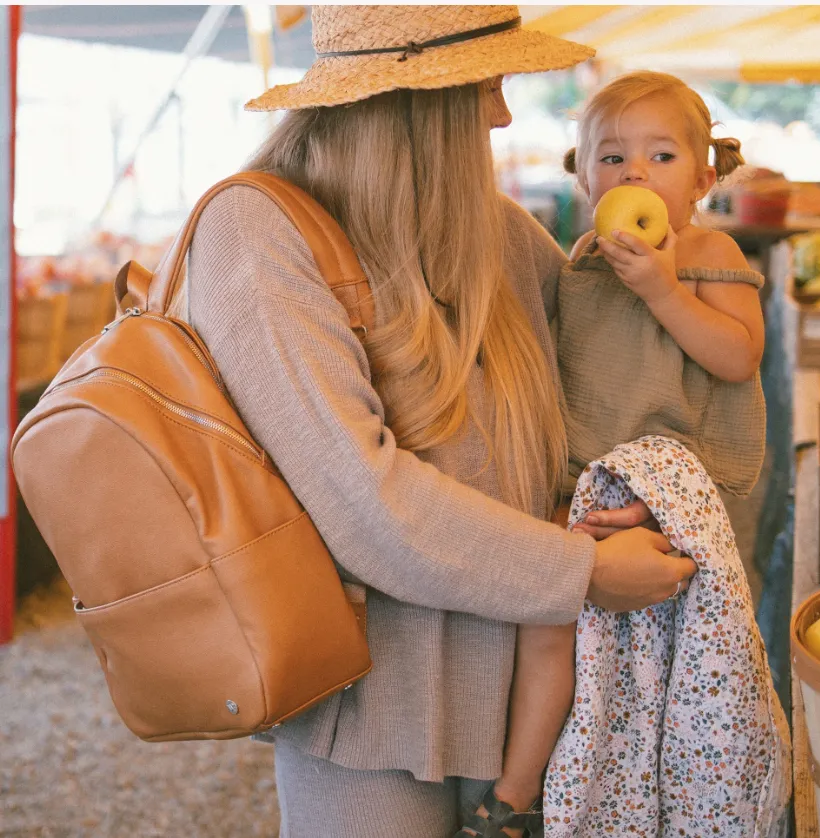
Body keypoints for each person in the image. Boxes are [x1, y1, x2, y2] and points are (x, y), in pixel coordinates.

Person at [181, 9, 698, 838]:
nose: (502, 113)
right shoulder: (257, 234)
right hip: (370, 714)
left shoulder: (493, 230)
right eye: (487, 84)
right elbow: (365, 503)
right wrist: (583, 572)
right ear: (416, 99)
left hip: (531, 695)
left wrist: (636, 492)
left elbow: (608, 380)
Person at [475, 70, 767, 838]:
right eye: (611, 159)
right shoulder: (584, 258)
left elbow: (738, 359)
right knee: (548, 616)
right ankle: (517, 794)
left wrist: (666, 290)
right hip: (589, 484)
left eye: (661, 157)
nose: (634, 173)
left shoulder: (709, 250)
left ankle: (629, 796)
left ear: (704, 177)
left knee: (643, 666)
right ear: (581, 176)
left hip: (671, 485)